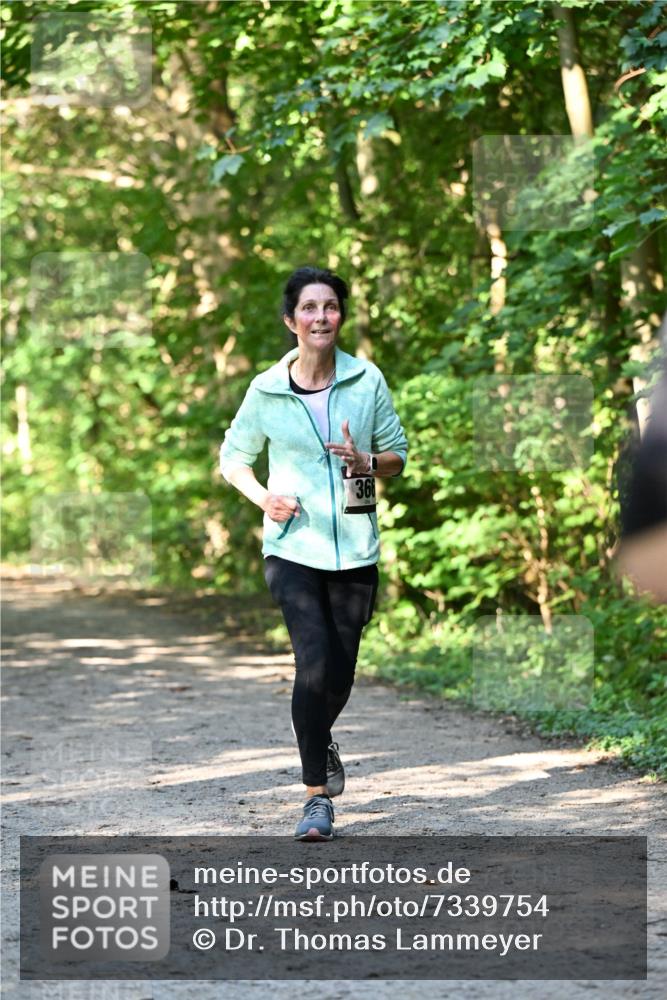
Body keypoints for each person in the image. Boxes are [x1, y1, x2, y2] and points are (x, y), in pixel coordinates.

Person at [219, 265, 408, 840]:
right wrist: (263, 498)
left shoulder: (366, 379)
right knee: (315, 660)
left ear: (340, 317)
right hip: (292, 545)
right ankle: (315, 798)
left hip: (354, 546)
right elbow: (233, 458)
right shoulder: (266, 389)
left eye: (330, 306)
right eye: (309, 307)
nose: (320, 316)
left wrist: (366, 462)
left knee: (341, 673)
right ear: (291, 320)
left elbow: (397, 455)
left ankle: (318, 739)